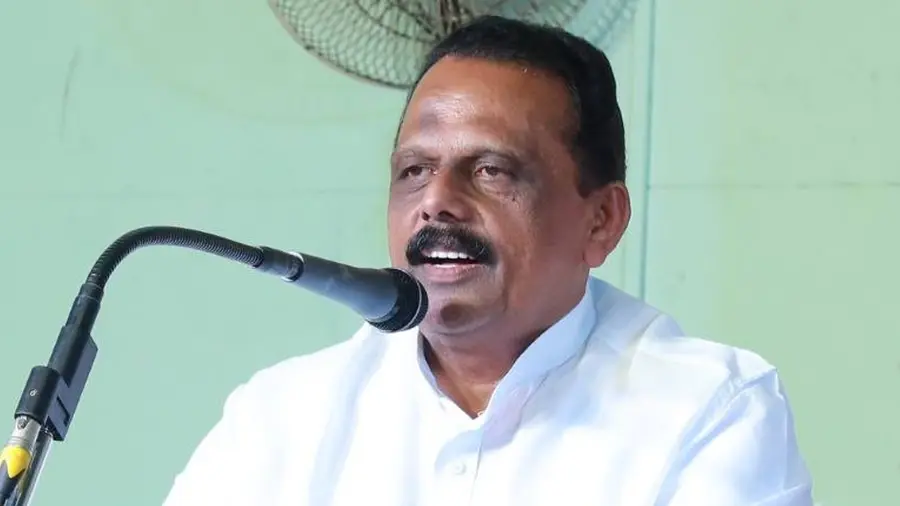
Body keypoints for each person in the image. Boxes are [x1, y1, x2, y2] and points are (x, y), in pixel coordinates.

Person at [162, 15, 813, 506]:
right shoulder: (279, 416)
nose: (436, 202)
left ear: (601, 220)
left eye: (492, 170)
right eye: (414, 171)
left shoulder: (709, 408)